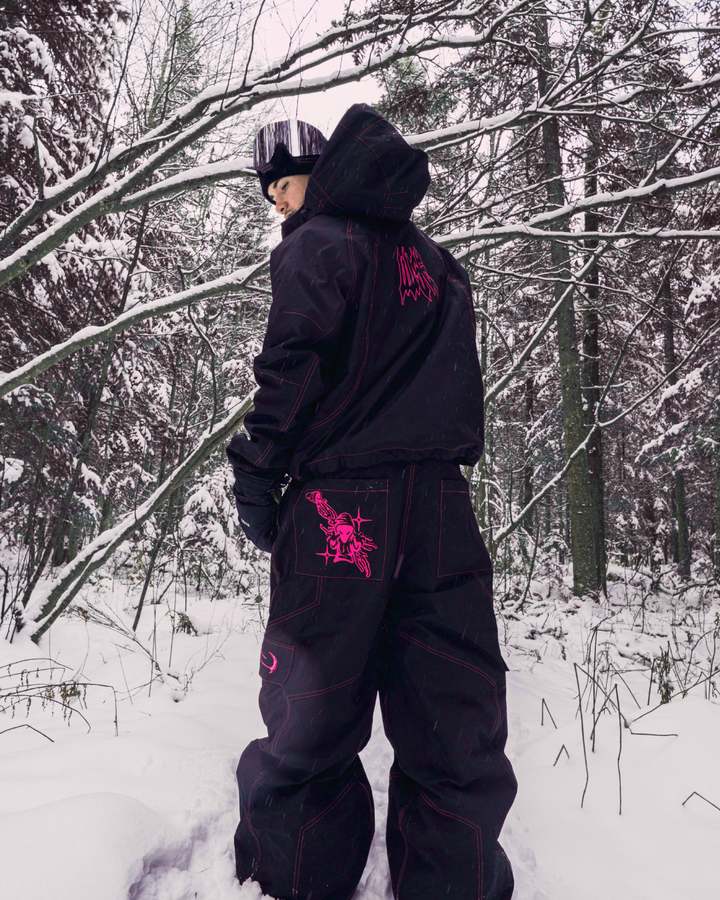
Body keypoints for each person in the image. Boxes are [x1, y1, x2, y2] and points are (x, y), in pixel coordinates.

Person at [226, 104, 517, 900]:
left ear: (318, 177)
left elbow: (292, 369)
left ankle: (302, 875)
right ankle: (452, 883)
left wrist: (258, 473)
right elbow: (460, 384)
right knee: (452, 706)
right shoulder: (440, 264)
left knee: (312, 701)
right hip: (441, 509)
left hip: (341, 508)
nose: (279, 205)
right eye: (272, 194)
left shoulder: (315, 246)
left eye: (284, 187)